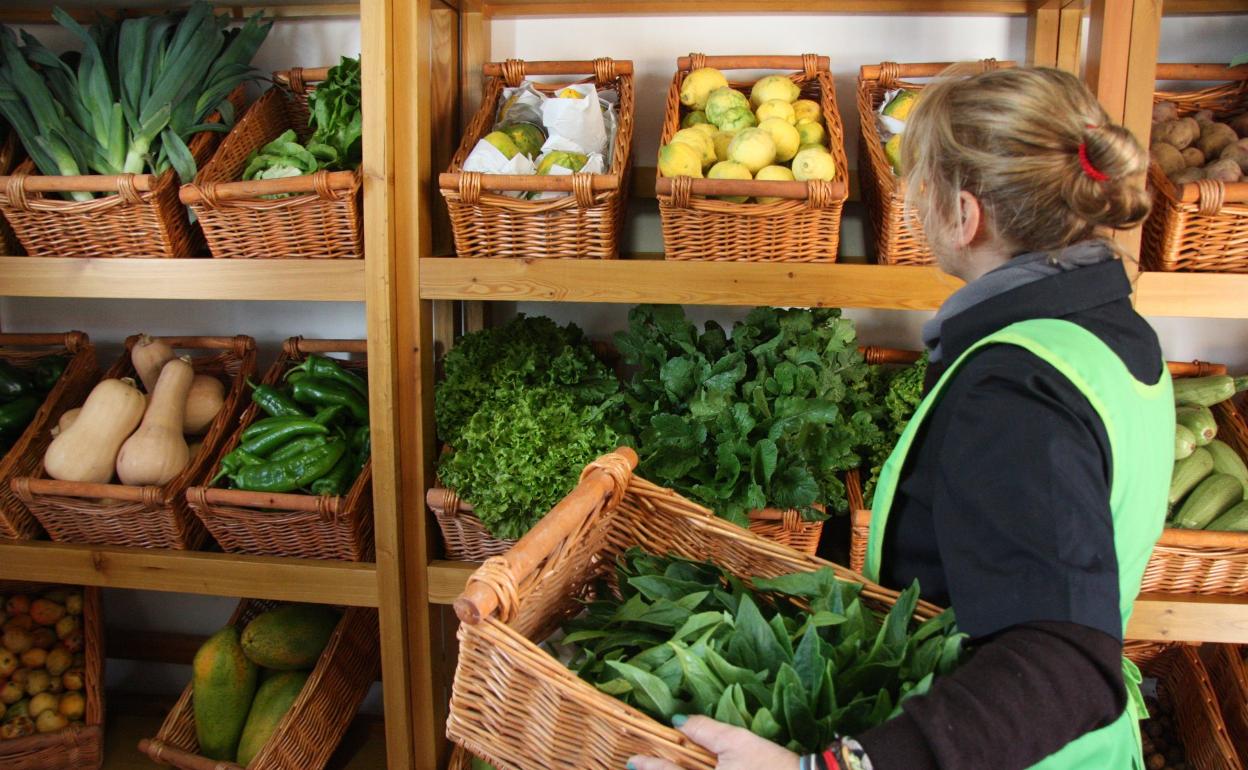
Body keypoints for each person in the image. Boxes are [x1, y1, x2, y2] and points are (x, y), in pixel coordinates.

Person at [629, 65, 1172, 770]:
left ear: (965, 215)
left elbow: (1064, 662)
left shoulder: (1016, 387)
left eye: (919, 185)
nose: (913, 204)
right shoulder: (1107, 328)